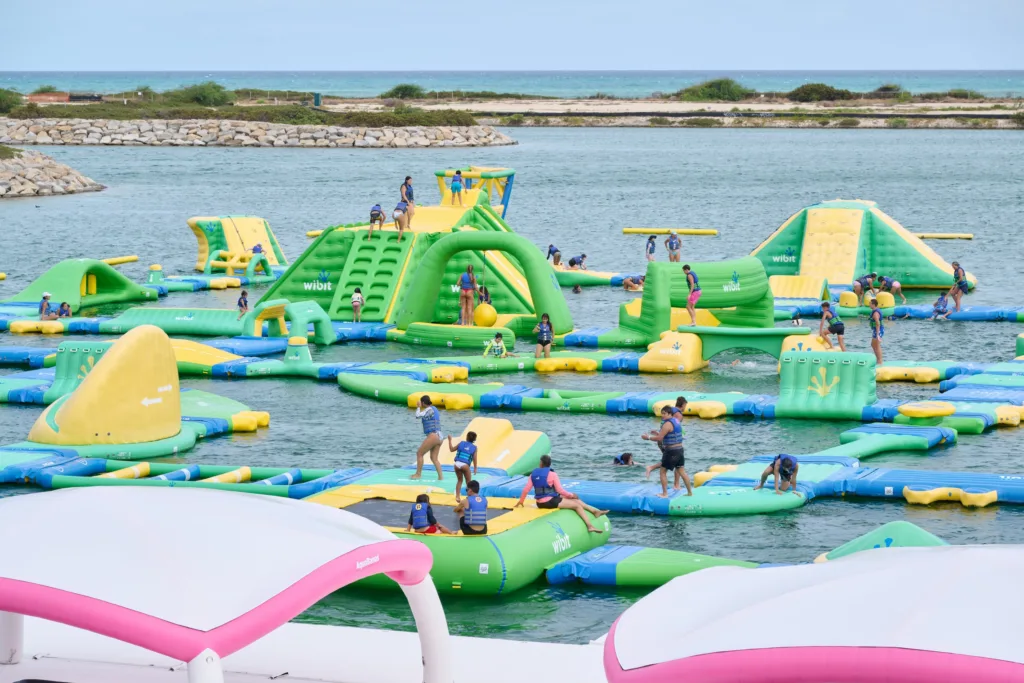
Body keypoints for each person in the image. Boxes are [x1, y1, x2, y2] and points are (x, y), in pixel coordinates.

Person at [515, 455, 608, 533]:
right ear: (549, 464)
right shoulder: (552, 474)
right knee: (576, 506)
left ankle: (595, 511)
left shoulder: (533, 474)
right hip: (550, 502)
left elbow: (526, 489)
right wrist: (571, 495)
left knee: (575, 500)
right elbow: (560, 490)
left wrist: (521, 501)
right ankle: (590, 526)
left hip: (540, 502)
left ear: (541, 463)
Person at [642, 405, 694, 498]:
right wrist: (658, 433)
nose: (662, 415)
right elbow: (671, 434)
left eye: (664, 414)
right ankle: (690, 492)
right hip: (680, 450)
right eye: (661, 413)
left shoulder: (667, 424)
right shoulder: (676, 421)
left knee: (662, 472)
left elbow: (659, 438)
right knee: (682, 472)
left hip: (671, 451)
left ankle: (665, 494)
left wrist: (648, 438)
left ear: (670, 413)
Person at [412, 395, 443, 481]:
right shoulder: (434, 409)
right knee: (434, 458)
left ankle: (418, 474)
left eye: (421, 403)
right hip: (439, 436)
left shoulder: (428, 410)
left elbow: (417, 416)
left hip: (433, 435)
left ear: (423, 403)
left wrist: (418, 407)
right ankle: (440, 477)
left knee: (419, 453)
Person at [447, 431, 478, 502]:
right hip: (465, 465)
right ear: (474, 440)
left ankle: (457, 497)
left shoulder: (461, 443)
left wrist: (449, 440)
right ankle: (469, 498)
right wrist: (475, 468)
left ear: (466, 437)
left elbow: (451, 449)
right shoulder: (474, 448)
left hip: (457, 464)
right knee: (468, 482)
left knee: (459, 480)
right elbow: (474, 459)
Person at [869, 298, 884, 364]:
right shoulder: (875, 311)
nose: (869, 305)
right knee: (873, 344)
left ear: (873, 304)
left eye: (870, 303)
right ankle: (877, 359)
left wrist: (878, 334)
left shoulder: (875, 313)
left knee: (877, 345)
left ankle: (880, 361)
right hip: (876, 330)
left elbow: (877, 323)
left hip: (878, 330)